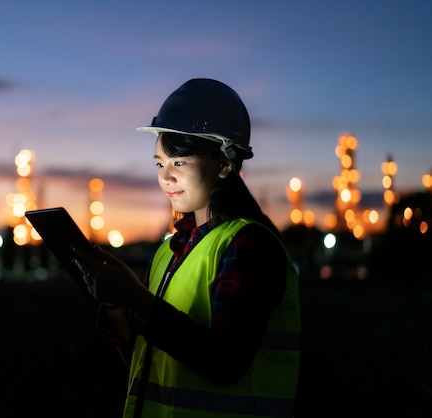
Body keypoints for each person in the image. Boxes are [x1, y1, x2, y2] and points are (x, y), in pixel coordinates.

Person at [73, 78, 301, 418]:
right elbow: (147, 359)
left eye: (179, 162)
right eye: (159, 163)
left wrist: (137, 298)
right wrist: (119, 302)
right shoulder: (171, 250)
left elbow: (224, 361)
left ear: (225, 164)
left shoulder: (250, 245)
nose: (165, 177)